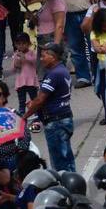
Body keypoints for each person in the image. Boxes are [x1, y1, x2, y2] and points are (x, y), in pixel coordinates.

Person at [24, 42, 75, 172]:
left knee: (60, 163)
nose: (41, 59)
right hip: (63, 118)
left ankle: (66, 188)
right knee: (66, 158)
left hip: (56, 122)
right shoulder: (61, 70)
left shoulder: (54, 74)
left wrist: (24, 117)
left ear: (53, 57)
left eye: (43, 56)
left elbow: (40, 100)